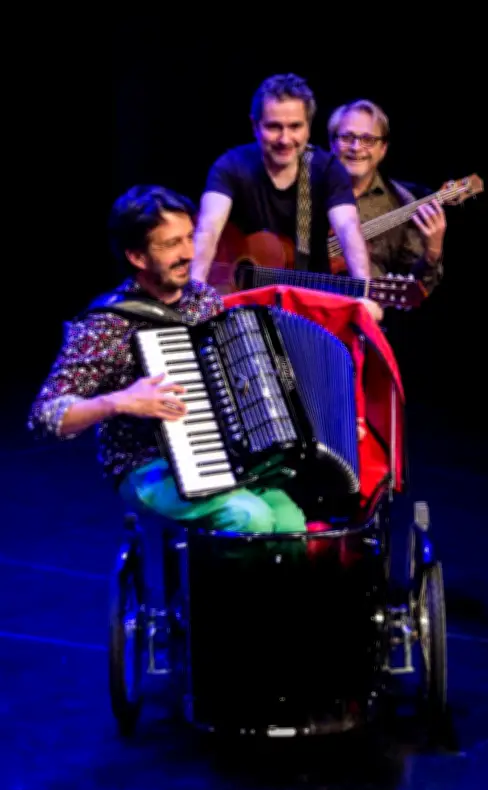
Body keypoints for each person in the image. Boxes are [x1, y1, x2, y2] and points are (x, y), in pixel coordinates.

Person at [27, 185, 307, 537]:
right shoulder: (107, 324)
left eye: (189, 238)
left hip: (221, 455)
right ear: (137, 257)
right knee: (250, 518)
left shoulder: (203, 300)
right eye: (172, 244)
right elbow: (45, 416)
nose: (189, 253)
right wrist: (117, 402)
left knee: (292, 522)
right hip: (146, 465)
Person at [190, 72, 383, 321]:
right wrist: (194, 292)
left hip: (306, 305)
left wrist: (363, 291)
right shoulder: (231, 166)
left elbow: (347, 228)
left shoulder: (327, 169)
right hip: (240, 309)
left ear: (308, 128)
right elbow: (208, 228)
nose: (284, 139)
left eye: (295, 126)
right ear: (254, 126)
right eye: (273, 127)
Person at [327, 99, 446, 295]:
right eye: (347, 137)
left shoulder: (403, 203)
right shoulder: (307, 190)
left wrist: (432, 253)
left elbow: (417, 289)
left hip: (364, 316)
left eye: (368, 140)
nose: (356, 147)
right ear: (332, 143)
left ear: (383, 149)